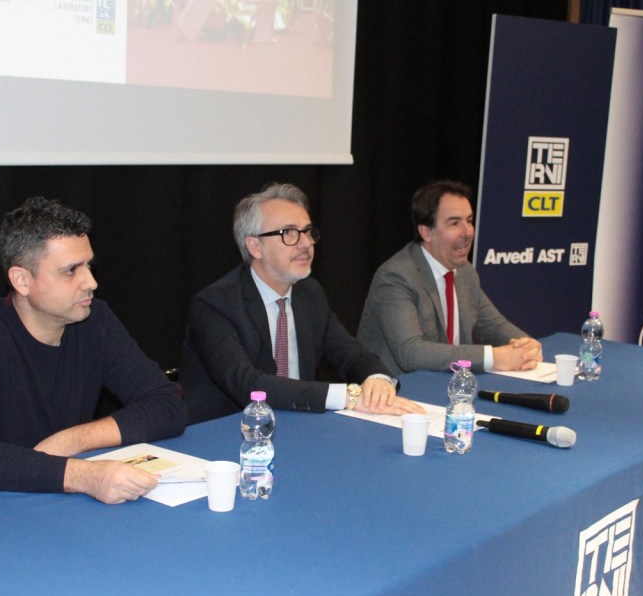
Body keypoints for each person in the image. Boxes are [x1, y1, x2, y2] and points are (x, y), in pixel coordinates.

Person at [0, 197, 187, 504]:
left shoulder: (95, 320)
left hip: (53, 507)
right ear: (22, 280)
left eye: (88, 266)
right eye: (70, 271)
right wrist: (83, 476)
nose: (91, 282)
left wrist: (71, 441)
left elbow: (168, 405)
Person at [180, 182, 425, 424]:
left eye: (307, 231)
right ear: (255, 246)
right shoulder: (215, 304)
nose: (306, 243)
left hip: (299, 425)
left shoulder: (309, 293)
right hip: (225, 435)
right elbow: (248, 385)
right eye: (289, 233)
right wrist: (348, 396)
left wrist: (378, 378)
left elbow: (349, 353)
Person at [357, 179, 542, 375]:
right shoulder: (396, 277)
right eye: (454, 223)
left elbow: (492, 325)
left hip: (447, 385)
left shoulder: (465, 272)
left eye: (469, 221)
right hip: (396, 391)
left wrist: (524, 345)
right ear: (427, 232)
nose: (468, 232)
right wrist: (493, 358)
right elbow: (410, 353)